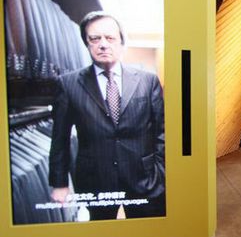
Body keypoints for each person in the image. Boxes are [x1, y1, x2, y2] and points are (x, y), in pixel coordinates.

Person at [48, 11, 165, 220]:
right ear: (87, 43)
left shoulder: (147, 81)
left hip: (145, 179)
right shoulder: (68, 84)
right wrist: (59, 183)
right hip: (95, 179)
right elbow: (60, 139)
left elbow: (162, 132)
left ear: (121, 42)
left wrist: (162, 174)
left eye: (110, 38)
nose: (103, 44)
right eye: (95, 38)